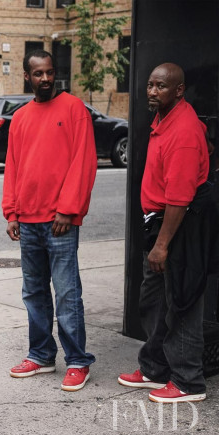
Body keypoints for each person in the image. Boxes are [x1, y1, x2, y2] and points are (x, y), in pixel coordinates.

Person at [118, 63, 216, 403]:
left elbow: (179, 198)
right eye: (149, 85)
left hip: (179, 228)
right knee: (154, 300)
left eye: (160, 86)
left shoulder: (184, 131)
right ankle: (154, 368)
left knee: (183, 303)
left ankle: (188, 382)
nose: (151, 91)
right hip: (159, 224)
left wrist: (162, 246)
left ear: (179, 90)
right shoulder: (164, 119)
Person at [2, 49, 97, 391]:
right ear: (27, 77)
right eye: (38, 73)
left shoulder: (74, 109)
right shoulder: (22, 117)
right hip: (27, 220)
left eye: (49, 72)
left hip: (60, 221)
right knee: (34, 292)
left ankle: (77, 361)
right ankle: (41, 354)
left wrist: (68, 210)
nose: (45, 78)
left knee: (67, 293)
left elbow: (84, 163)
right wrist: (11, 212)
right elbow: (13, 165)